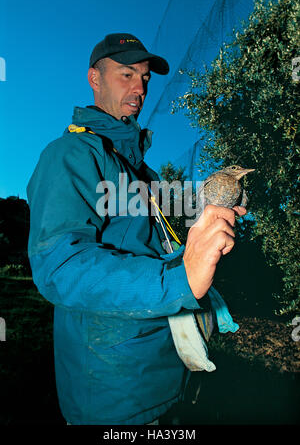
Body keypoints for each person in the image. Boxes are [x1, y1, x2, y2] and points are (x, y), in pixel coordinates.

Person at [26, 33, 246, 425]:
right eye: (126, 74)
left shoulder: (144, 173)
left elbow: (154, 250)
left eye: (145, 78)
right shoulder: (70, 155)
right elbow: (59, 266)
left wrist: (206, 232)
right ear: (95, 78)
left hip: (167, 371)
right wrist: (178, 281)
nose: (139, 87)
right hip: (114, 394)